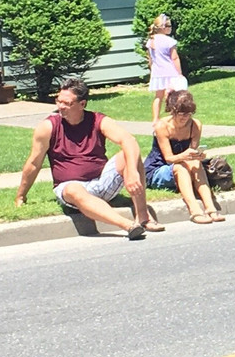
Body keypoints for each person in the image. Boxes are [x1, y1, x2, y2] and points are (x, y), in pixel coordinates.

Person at [15, 77, 163, 240]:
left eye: (67, 103)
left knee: (128, 155)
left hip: (101, 181)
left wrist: (133, 172)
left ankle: (143, 217)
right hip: (71, 188)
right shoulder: (48, 127)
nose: (61, 107)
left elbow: (129, 140)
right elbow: (34, 163)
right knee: (74, 189)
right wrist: (21, 196)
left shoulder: (98, 120)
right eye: (58, 101)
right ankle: (127, 226)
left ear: (82, 104)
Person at [144, 89, 224, 224]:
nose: (185, 117)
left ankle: (211, 209)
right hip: (159, 168)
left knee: (196, 164)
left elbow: (192, 154)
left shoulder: (195, 125)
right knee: (180, 167)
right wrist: (185, 155)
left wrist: (198, 155)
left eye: (189, 113)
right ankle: (195, 211)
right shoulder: (162, 126)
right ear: (172, 110)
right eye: (181, 113)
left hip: (184, 164)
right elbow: (169, 158)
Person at [145, 13, 184, 122]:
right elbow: (175, 58)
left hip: (157, 73)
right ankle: (173, 116)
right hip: (170, 71)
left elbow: (150, 59)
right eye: (169, 26)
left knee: (158, 97)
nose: (171, 28)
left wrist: (152, 70)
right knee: (173, 95)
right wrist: (179, 73)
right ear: (163, 28)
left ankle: (155, 118)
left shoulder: (151, 41)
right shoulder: (169, 41)